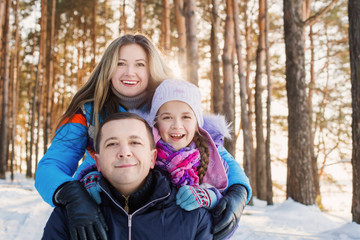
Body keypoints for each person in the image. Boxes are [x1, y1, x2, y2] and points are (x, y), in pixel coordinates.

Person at [35, 33, 173, 240]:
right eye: (120, 63)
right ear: (108, 68)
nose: (129, 72)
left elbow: (213, 151)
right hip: (100, 203)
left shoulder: (172, 106)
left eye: (140, 65)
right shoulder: (87, 112)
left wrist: (238, 189)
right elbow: (51, 166)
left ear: (152, 68)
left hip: (160, 209)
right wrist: (72, 195)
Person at [82, 79, 252, 239]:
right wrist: (93, 178)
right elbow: (113, 164)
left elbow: (222, 219)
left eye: (186, 117)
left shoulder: (211, 157)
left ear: (197, 123)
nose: (176, 125)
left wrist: (212, 198)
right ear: (155, 122)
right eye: (167, 117)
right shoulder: (145, 149)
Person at [42, 112, 213, 240]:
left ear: (153, 157)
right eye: (112, 144)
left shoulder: (193, 216)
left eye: (135, 142)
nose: (124, 152)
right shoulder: (69, 215)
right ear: (98, 162)